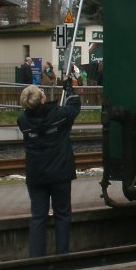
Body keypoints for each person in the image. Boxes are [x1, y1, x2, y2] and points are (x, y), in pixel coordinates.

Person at [18, 81, 80, 256]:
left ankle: (36, 258)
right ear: (43, 99)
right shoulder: (59, 115)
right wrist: (69, 89)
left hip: (36, 174)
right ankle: (62, 254)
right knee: (63, 214)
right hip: (60, 173)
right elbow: (75, 106)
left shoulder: (23, 121)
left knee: (38, 216)